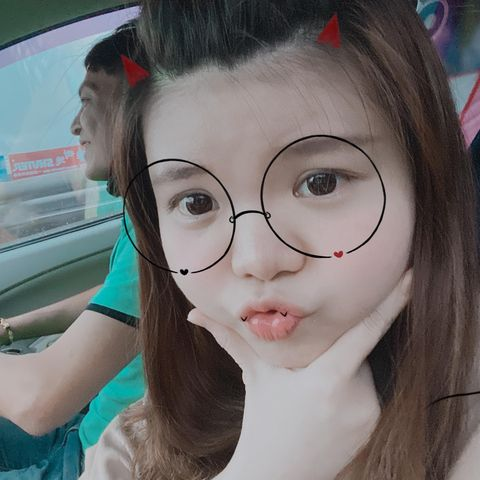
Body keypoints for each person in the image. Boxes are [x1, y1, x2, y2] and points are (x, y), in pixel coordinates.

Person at [80, 1, 480, 479]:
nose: (256, 259)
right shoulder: (132, 448)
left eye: (321, 183)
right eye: (197, 203)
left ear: (424, 179)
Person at [0, 22, 146, 479]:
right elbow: (114, 299)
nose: (75, 124)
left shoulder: (162, 233)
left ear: (137, 108)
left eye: (87, 100)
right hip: (90, 426)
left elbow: (39, 402)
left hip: (96, 455)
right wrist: (11, 328)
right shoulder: (143, 216)